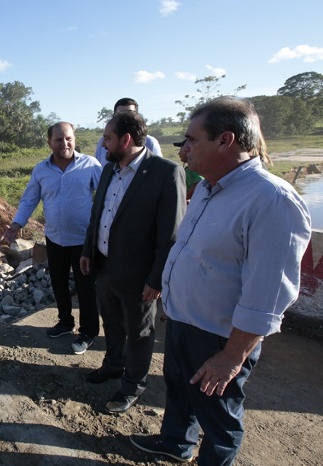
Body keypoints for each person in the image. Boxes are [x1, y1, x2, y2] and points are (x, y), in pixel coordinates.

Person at [129, 97, 311, 465]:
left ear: (225, 140)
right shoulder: (209, 189)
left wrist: (231, 356)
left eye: (192, 140)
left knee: (219, 415)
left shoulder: (271, 200)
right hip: (184, 323)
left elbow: (269, 294)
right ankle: (175, 444)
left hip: (220, 337)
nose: (184, 151)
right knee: (180, 392)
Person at [80, 111, 186, 414]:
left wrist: (157, 279)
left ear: (126, 140)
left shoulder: (165, 172)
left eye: (108, 137)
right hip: (104, 266)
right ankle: (113, 365)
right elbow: (97, 215)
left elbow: (171, 233)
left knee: (139, 332)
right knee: (111, 323)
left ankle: (132, 385)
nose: (103, 143)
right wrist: (89, 250)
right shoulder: (109, 170)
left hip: (140, 276)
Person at [2, 122, 102, 354]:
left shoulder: (90, 165)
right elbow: (29, 200)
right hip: (55, 239)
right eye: (59, 140)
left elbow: (106, 196)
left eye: (68, 138)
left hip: (83, 241)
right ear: (49, 143)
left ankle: (88, 332)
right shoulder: (41, 170)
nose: (65, 143)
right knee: (58, 283)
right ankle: (65, 322)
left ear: (74, 139)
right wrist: (15, 225)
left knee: (86, 287)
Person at [95, 98, 162, 166]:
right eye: (119, 114)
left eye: (129, 113)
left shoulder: (150, 142)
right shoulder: (103, 143)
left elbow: (158, 168)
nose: (124, 118)